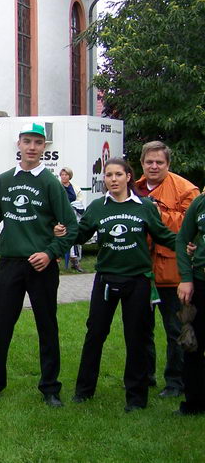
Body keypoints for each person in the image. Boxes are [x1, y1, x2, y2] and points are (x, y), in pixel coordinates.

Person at [56, 158, 176, 412]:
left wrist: (188, 246)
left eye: (118, 174)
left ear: (128, 177)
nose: (112, 179)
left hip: (138, 281)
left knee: (137, 339)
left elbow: (163, 236)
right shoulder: (98, 207)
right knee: (95, 334)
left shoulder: (144, 207)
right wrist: (62, 233)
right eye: (108, 175)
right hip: (106, 279)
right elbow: (81, 234)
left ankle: (136, 398)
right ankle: (84, 391)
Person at [0, 123, 77, 407]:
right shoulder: (5, 180)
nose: (32, 147)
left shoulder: (50, 183)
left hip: (41, 266)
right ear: (18, 144)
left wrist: (50, 252)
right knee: (2, 325)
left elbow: (71, 226)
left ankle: (50, 389)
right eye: (27, 141)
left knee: (47, 325)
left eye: (38, 142)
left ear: (44, 147)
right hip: (10, 264)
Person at [134, 141, 199, 397]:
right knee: (141, 328)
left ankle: (176, 382)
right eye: (149, 162)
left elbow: (190, 227)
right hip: (141, 271)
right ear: (142, 163)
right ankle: (145, 376)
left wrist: (156, 210)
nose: (153, 166)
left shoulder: (186, 190)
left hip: (173, 273)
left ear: (168, 164)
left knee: (176, 330)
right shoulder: (135, 188)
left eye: (159, 162)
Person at [174, 191, 205, 415]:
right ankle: (193, 403)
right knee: (193, 344)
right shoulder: (200, 204)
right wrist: (186, 278)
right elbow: (182, 239)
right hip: (200, 283)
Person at [59, 167, 83, 272]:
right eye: (62, 175)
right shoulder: (57, 186)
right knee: (61, 236)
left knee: (75, 237)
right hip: (61, 215)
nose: (64, 177)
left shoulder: (75, 188)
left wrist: (74, 206)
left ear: (69, 176)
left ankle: (75, 262)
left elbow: (79, 200)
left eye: (66, 175)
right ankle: (57, 260)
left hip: (73, 214)